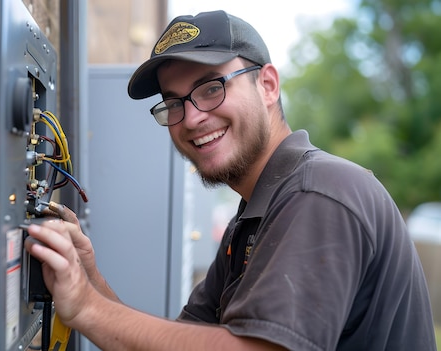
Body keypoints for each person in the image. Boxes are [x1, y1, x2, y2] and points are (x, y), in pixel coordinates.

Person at [24, 10, 437, 350]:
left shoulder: (320, 192)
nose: (192, 117)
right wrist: (88, 279)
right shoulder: (254, 216)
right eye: (173, 102)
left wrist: (88, 309)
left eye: (210, 88)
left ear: (268, 85)